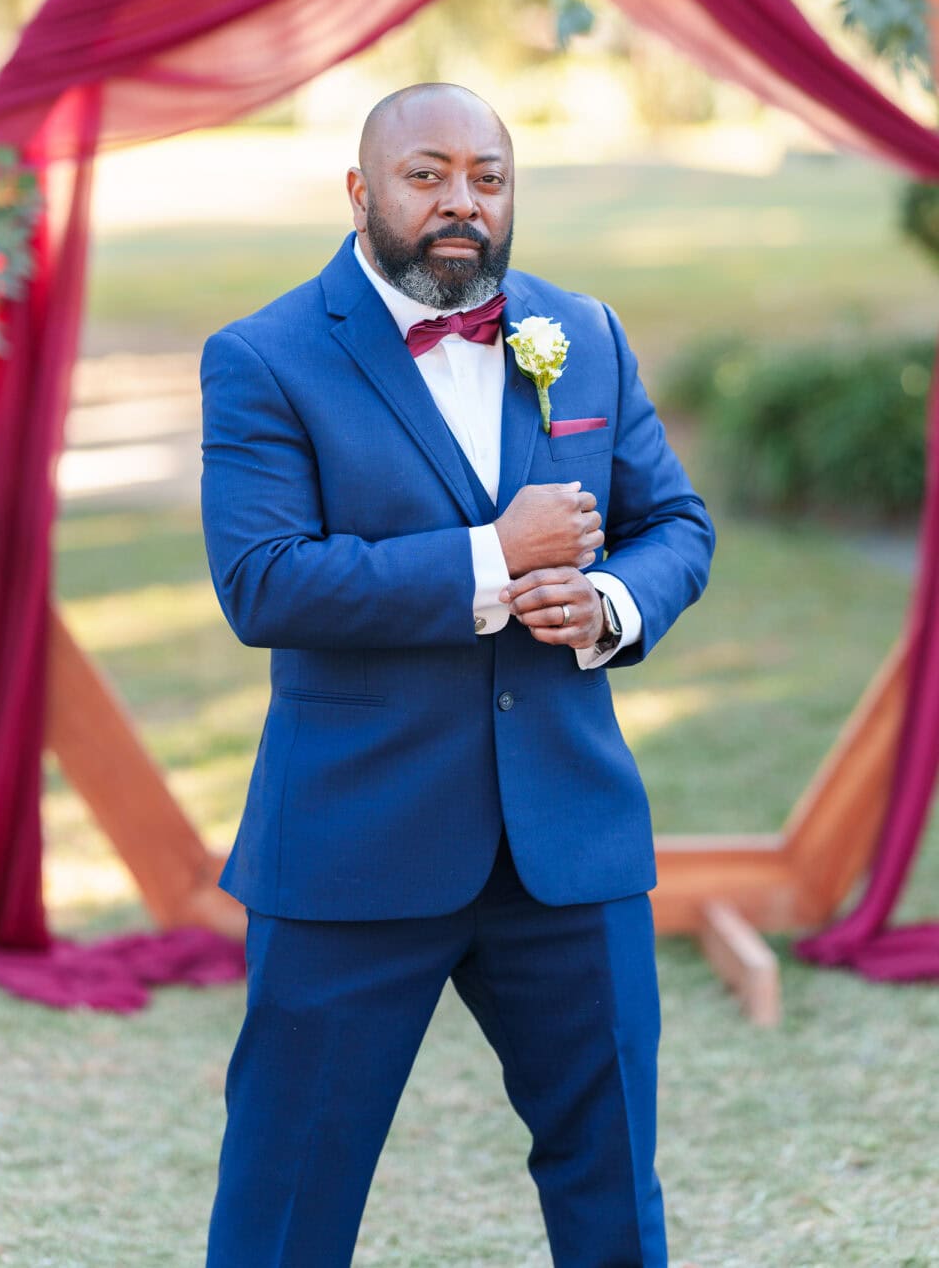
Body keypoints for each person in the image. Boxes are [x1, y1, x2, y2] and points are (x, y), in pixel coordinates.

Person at [200, 83, 715, 1268]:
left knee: (610, 1192)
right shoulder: (266, 357)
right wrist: (495, 559)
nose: (459, 203)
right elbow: (264, 583)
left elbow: (675, 524)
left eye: (487, 177)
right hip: (354, 847)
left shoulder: (581, 332)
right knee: (288, 1201)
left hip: (568, 845)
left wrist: (609, 604)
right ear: (360, 191)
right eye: (425, 174)